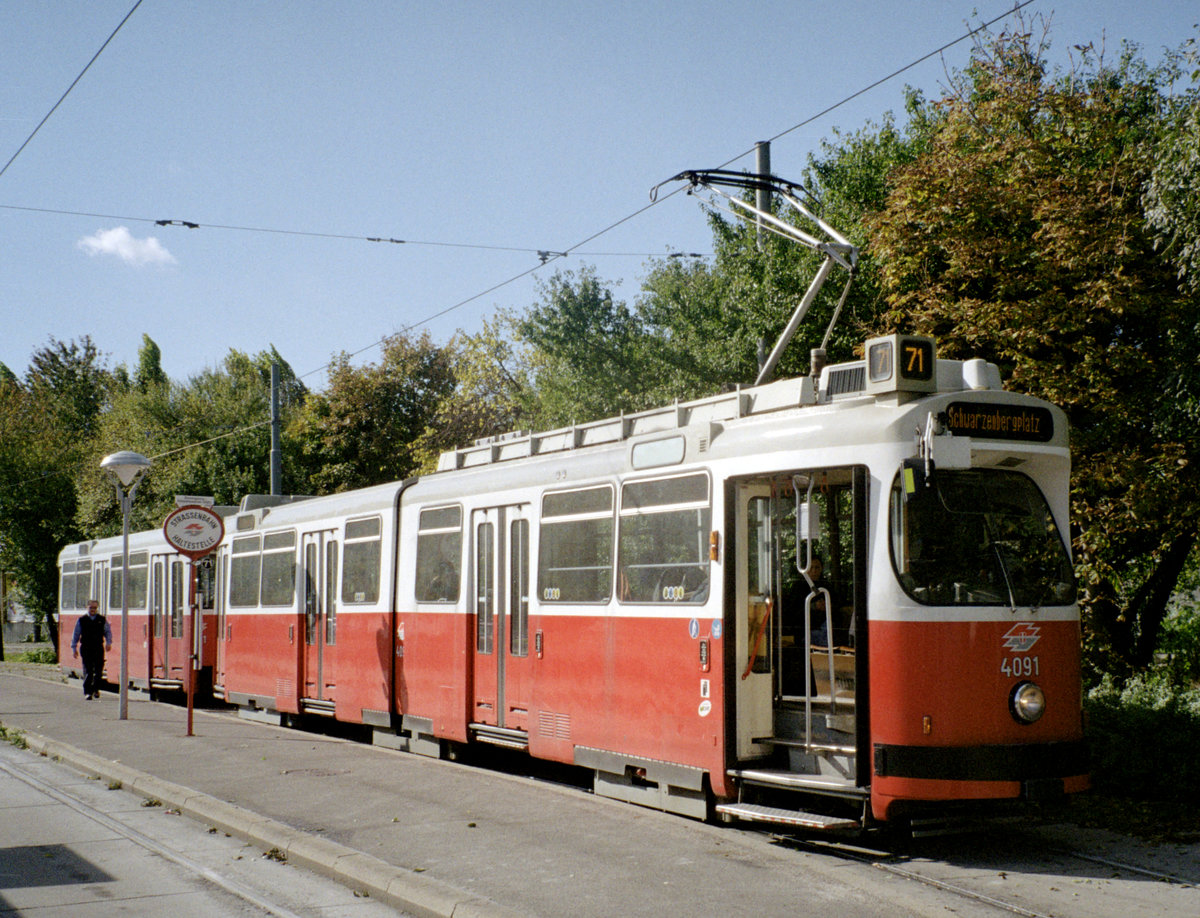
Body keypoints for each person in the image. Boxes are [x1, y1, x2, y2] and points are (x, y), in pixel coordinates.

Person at [71, 600, 112, 700]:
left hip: (98, 647)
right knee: (88, 670)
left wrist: (108, 642)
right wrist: (74, 647)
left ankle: (96, 689)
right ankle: (88, 692)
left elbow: (107, 631)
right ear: (87, 608)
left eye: (95, 608)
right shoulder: (81, 620)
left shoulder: (101, 619)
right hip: (86, 647)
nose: (93, 610)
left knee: (99, 671)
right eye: (91, 608)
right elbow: (76, 634)